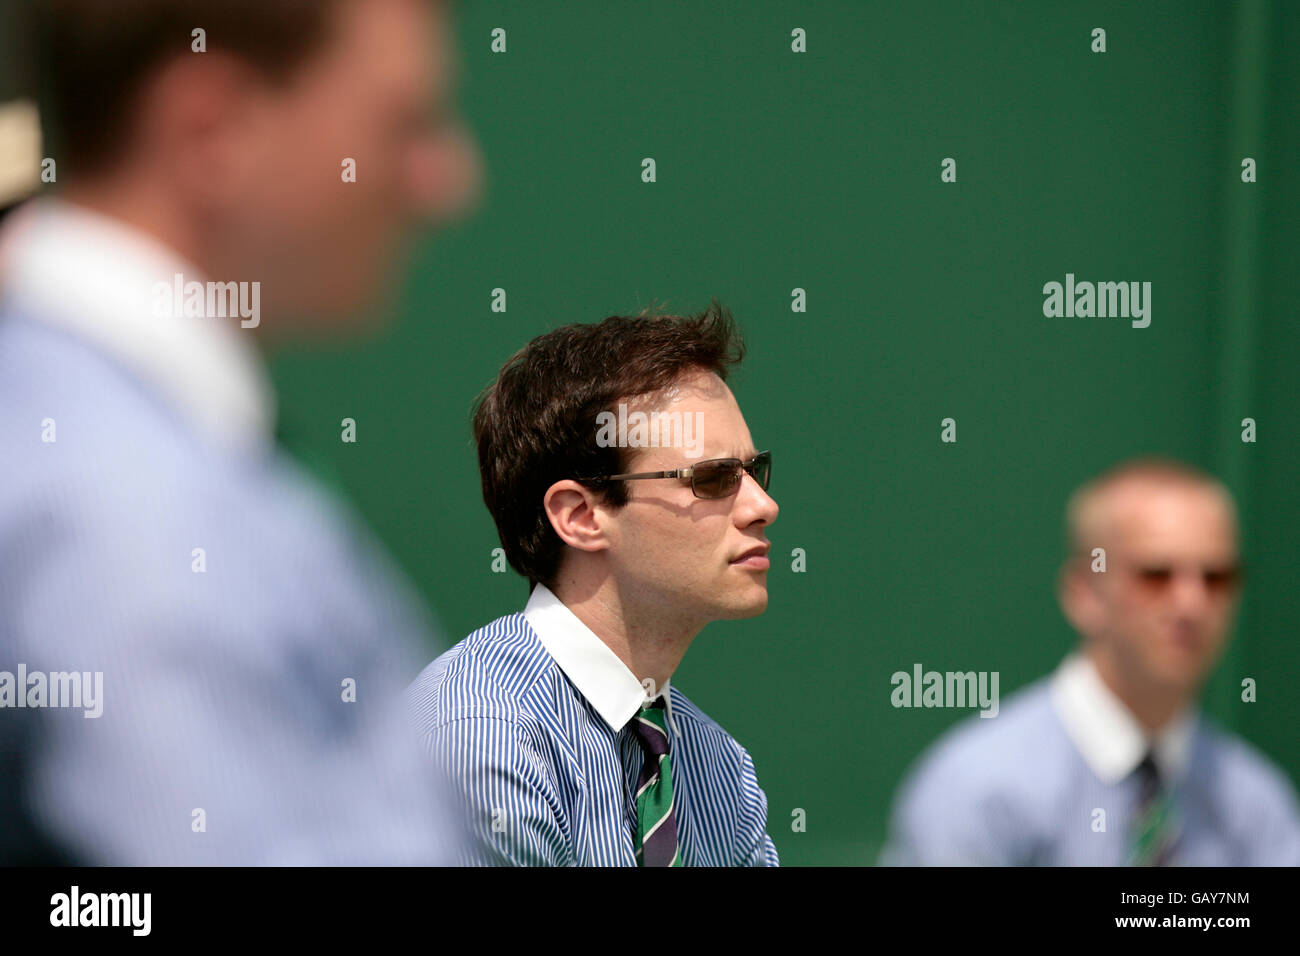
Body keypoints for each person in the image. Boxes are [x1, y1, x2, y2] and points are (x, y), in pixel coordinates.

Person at [0, 0, 481, 864]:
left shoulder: (91, 432)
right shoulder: (123, 506)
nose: (447, 180)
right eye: (402, 124)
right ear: (211, 129)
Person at [408, 302, 781, 865]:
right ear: (580, 516)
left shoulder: (722, 771)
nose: (762, 506)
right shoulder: (481, 740)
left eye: (755, 472)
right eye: (713, 478)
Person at [881, 457, 1300, 865]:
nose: (1191, 603)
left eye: (1216, 578)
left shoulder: (1255, 806)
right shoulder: (981, 792)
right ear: (1085, 592)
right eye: (1155, 574)